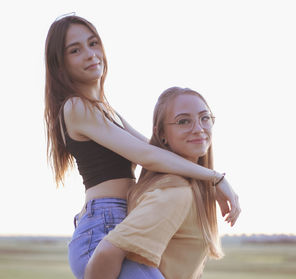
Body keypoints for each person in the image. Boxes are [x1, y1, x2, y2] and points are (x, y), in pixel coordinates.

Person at [44, 15, 240, 279]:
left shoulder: (106, 110)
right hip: (100, 230)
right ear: (60, 64)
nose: (90, 54)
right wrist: (215, 178)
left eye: (93, 43)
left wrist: (209, 178)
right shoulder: (75, 107)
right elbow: (147, 156)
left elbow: (156, 148)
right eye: (75, 50)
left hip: (123, 218)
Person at [85, 87, 229, 279]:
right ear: (162, 134)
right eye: (183, 121)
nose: (199, 128)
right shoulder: (175, 192)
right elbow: (106, 253)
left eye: (205, 118)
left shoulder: (192, 188)